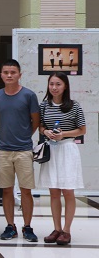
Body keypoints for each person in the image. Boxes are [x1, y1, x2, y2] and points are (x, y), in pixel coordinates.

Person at [0, 59, 40, 242]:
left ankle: (27, 227)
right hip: (3, 150)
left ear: (20, 74)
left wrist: (25, 136)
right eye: (6, 72)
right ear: (1, 75)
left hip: (24, 151)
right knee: (6, 191)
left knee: (26, 191)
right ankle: (10, 226)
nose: (9, 75)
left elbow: (35, 121)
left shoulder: (29, 95)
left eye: (13, 72)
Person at [38, 72, 85, 245]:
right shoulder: (44, 105)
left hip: (67, 149)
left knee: (68, 191)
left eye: (58, 84)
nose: (54, 87)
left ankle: (66, 230)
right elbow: (40, 126)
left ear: (65, 86)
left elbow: (82, 130)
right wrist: (45, 131)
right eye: (51, 84)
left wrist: (63, 134)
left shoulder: (74, 106)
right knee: (54, 192)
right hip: (51, 150)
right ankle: (56, 229)